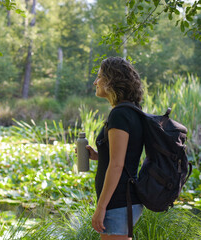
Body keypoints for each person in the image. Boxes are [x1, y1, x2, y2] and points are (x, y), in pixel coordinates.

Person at [86, 57, 144, 240]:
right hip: (124, 201)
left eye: (99, 76)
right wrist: (98, 155)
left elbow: (117, 165)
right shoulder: (131, 111)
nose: (95, 82)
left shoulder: (120, 114)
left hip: (118, 201)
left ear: (111, 80)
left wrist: (101, 207)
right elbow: (125, 156)